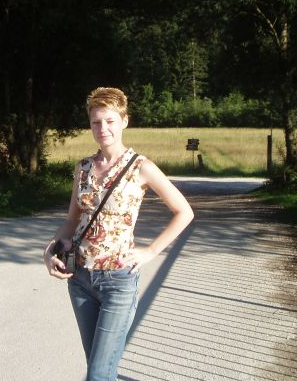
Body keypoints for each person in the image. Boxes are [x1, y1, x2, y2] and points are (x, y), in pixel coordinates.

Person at [43, 87, 194, 381]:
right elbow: (72, 220)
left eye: (110, 121)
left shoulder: (141, 167)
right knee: (100, 369)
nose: (103, 129)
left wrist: (151, 251)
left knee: (98, 374)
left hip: (118, 281)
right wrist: (49, 251)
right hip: (80, 279)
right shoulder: (83, 168)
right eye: (96, 122)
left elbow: (184, 212)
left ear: (124, 121)